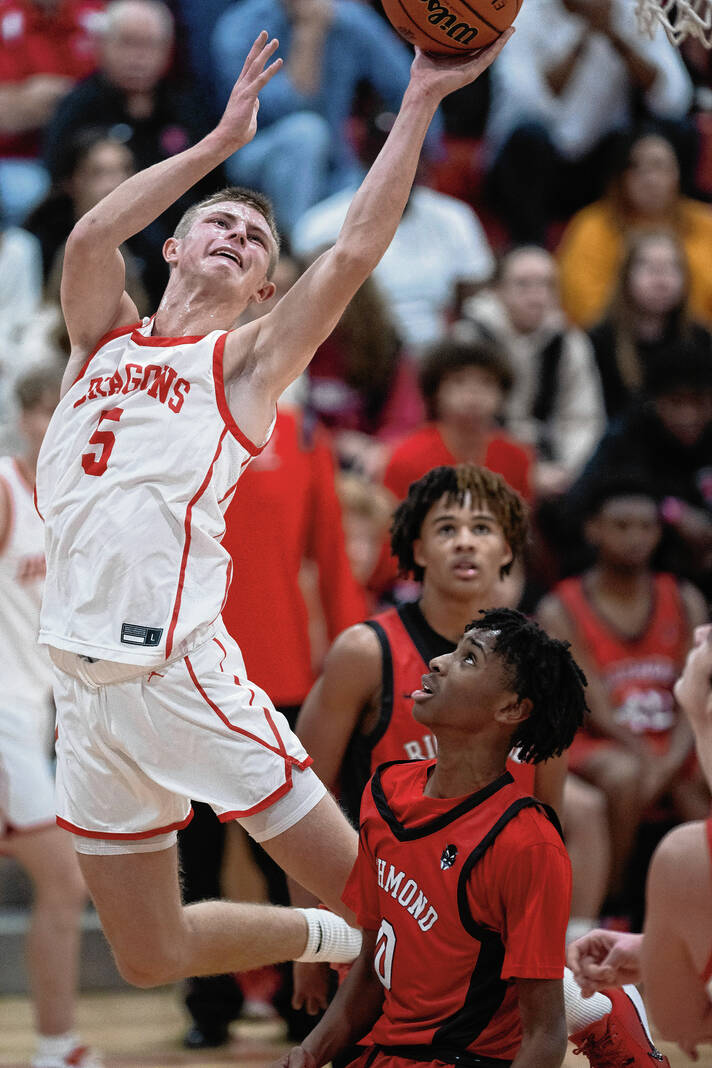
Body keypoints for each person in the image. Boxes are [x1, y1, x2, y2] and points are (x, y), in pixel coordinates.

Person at [33, 28, 511, 993]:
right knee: (150, 955)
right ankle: (329, 947)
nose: (241, 235)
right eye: (221, 222)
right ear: (171, 244)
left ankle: (572, 1009)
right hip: (80, 698)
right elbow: (89, 238)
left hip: (178, 678)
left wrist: (418, 100)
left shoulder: (245, 366)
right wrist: (217, 145)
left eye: (258, 240)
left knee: (380, 893)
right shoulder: (101, 342)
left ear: (261, 293)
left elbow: (357, 251)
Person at [293, 464, 668, 1066]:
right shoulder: (369, 651)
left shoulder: (539, 674)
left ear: (508, 552)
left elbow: (546, 819)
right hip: (384, 896)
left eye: (482, 526)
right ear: (416, 547)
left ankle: (599, 1011)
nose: (465, 540)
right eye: (447, 527)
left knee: (516, 994)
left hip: (481, 900)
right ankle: (594, 1003)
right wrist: (304, 936)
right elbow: (301, 795)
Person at [278, 607, 589, 1068]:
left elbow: (545, 1033)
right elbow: (369, 971)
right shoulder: (384, 791)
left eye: (468, 659)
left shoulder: (528, 844)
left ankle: (613, 1017)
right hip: (380, 1052)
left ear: (510, 708)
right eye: (452, 649)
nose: (438, 662)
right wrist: (307, 1053)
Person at [180, 400, 367, 1048]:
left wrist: (358, 659)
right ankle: (208, 1002)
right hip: (181, 673)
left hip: (278, 673)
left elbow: (332, 554)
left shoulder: (307, 432)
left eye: (273, 295)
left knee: (286, 855)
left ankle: (306, 1000)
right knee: (195, 855)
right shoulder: (176, 416)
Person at [537, 475, 709, 913]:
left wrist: (669, 759)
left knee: (696, 782)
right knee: (624, 775)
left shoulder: (684, 598)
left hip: (675, 738)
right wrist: (651, 757)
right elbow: (593, 703)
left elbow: (697, 693)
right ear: (593, 529)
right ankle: (611, 905)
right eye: (621, 526)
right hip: (600, 740)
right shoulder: (561, 606)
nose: (635, 538)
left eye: (645, 527)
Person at [0, 366, 101, 1068]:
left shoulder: (84, 500)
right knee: (63, 881)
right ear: (25, 419)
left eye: (64, 411)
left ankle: (54, 1044)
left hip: (47, 715)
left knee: (64, 884)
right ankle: (54, 1046)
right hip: (4, 715)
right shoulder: (5, 489)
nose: (52, 424)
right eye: (42, 411)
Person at [567, 625, 712, 1057]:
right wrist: (660, 948)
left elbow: (678, 1021)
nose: (701, 631)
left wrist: (668, 961)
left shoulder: (688, 857)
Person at [210, 0, 440, 238]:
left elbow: (408, 84)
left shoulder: (349, 18)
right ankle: (296, 249)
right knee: (306, 133)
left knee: (372, 195)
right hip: (256, 154)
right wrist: (308, 35)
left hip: (336, 161)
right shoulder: (241, 27)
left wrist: (424, 155)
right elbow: (276, 110)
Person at [485, 0, 692, 244]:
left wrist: (615, 37)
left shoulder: (632, 9)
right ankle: (529, 255)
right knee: (529, 139)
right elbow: (529, 105)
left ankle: (665, 246)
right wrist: (584, 35)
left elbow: (675, 100)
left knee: (677, 134)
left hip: (597, 163)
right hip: (526, 169)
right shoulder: (520, 13)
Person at [291, 110, 494, 353]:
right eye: (383, 155)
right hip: (359, 354)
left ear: (424, 160)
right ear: (364, 160)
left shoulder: (454, 218)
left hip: (436, 354)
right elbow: (306, 311)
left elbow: (475, 299)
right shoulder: (320, 224)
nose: (397, 166)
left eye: (409, 154)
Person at [42, 0, 216, 245]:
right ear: (102, 45)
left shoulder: (187, 108)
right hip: (100, 239)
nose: (138, 56)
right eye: (127, 42)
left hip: (183, 237)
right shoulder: (78, 108)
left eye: (149, 45)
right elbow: (57, 185)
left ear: (168, 49)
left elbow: (214, 185)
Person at [460, 246, 605, 495]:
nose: (536, 296)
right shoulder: (468, 340)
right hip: (480, 466)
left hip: (554, 468)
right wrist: (520, 473)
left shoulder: (570, 342)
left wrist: (566, 470)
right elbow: (460, 422)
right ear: (497, 290)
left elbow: (582, 419)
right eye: (523, 285)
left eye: (546, 285)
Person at [557, 130, 712, 329]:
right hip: (613, 346)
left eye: (659, 166)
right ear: (621, 176)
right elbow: (581, 303)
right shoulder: (592, 225)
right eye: (637, 167)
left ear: (678, 173)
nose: (650, 178)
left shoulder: (706, 224)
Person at [382, 338, 533, 506]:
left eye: (486, 382)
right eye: (459, 381)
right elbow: (393, 526)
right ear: (436, 391)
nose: (473, 394)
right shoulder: (405, 457)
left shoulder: (517, 458)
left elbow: (520, 525)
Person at [586, 229, 712, 420]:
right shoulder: (598, 341)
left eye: (672, 268)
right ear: (625, 277)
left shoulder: (700, 339)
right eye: (650, 269)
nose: (661, 281)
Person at [0, 0, 105, 225]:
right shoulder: (5, 16)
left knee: (108, 178)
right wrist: (72, 98)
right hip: (16, 159)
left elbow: (111, 95)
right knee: (30, 190)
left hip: (86, 154)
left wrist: (26, 98)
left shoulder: (96, 16)